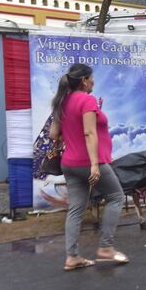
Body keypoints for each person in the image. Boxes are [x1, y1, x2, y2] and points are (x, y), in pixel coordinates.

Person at [49, 63, 127, 271]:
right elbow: (89, 133)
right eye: (91, 78)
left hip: (69, 163)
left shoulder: (62, 102)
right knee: (116, 197)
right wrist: (94, 164)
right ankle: (106, 247)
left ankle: (72, 257)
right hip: (91, 162)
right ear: (84, 80)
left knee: (75, 209)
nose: (93, 81)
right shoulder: (87, 100)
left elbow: (53, 134)